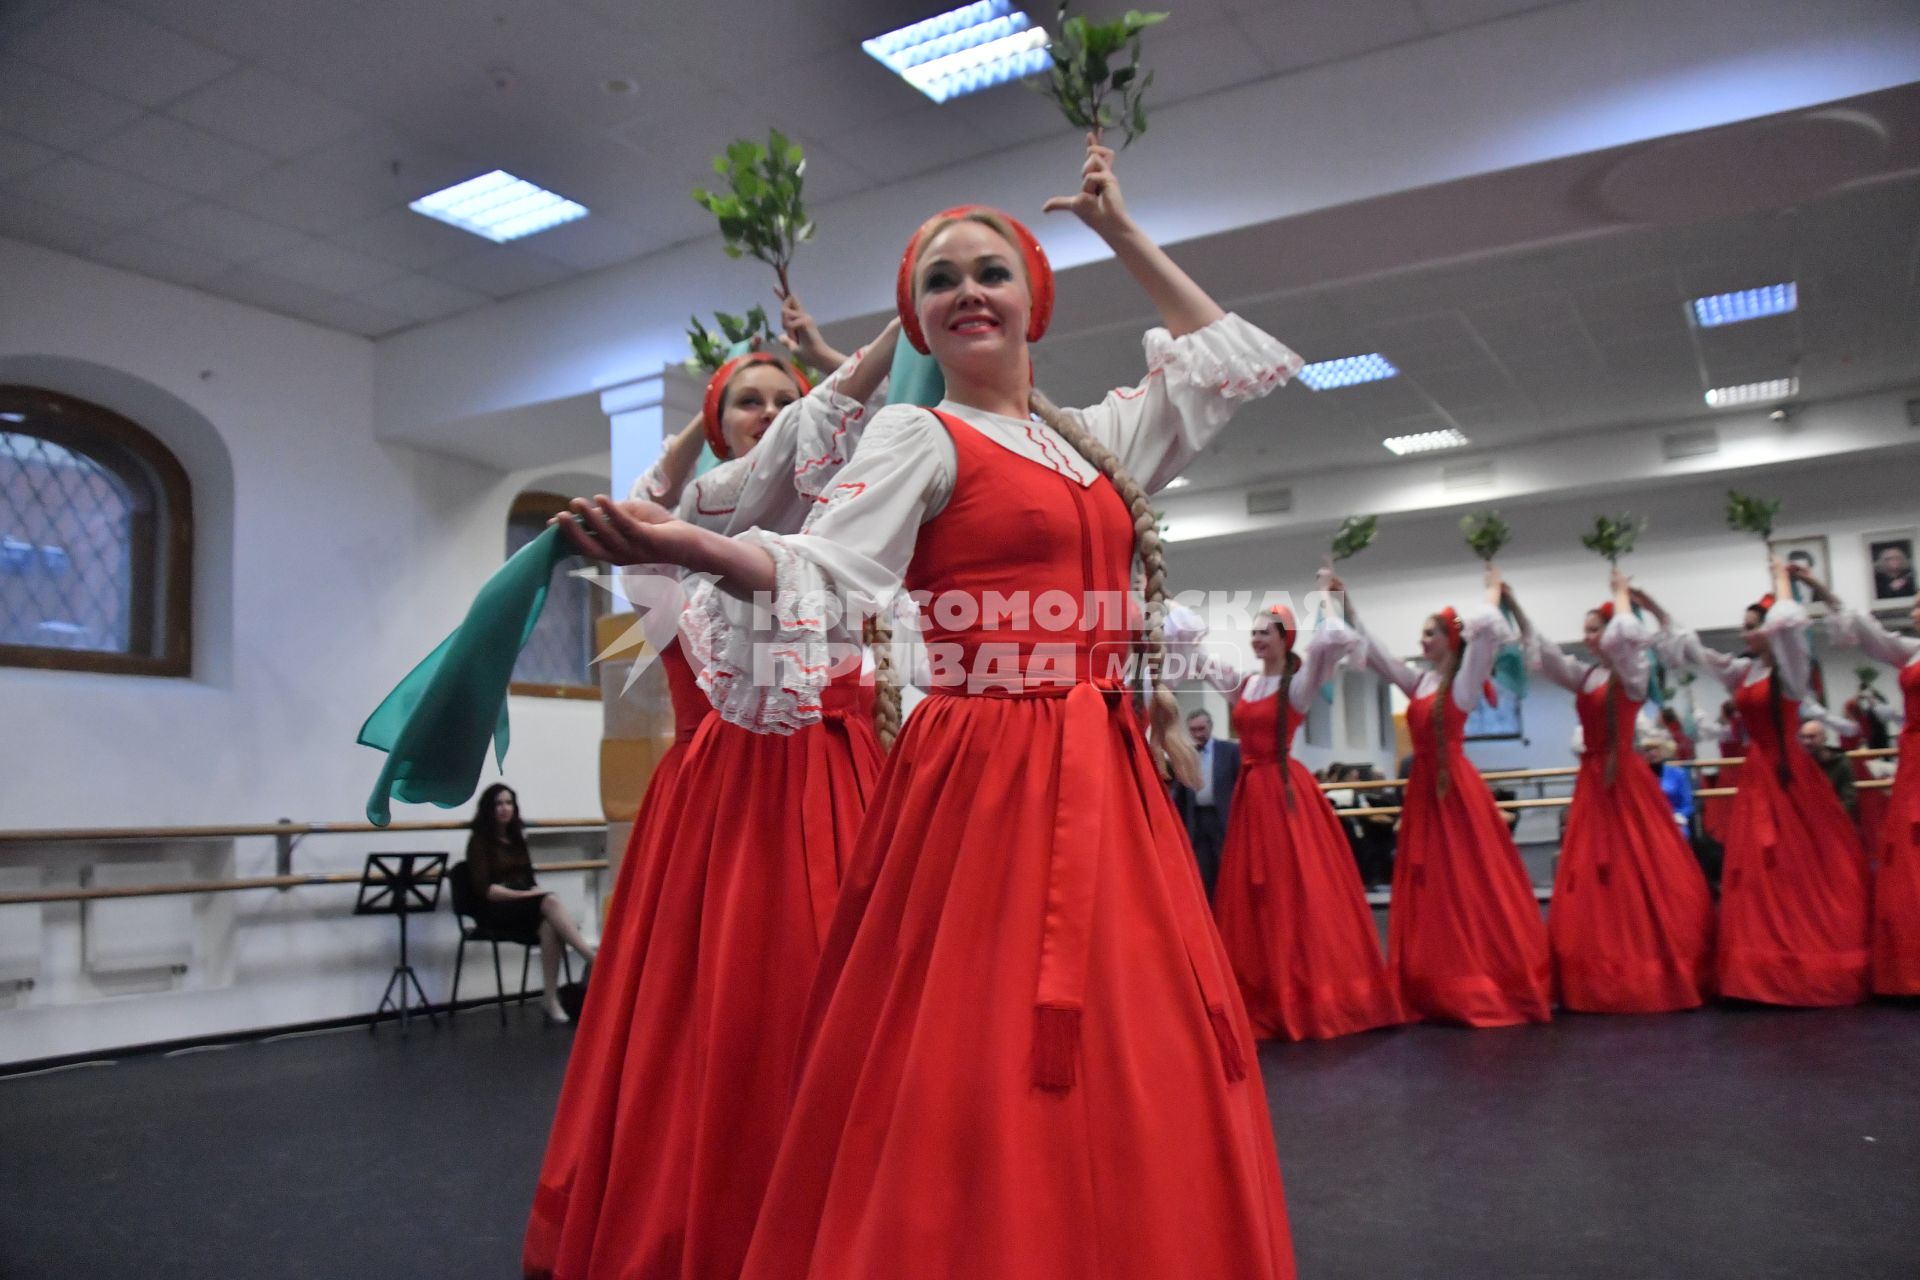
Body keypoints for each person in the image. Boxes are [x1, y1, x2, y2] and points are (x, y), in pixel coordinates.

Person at [564, 137, 1305, 1278]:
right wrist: (690, 545)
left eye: (990, 270)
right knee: (981, 1031)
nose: (967, 290)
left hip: (1103, 771)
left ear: (1032, 301)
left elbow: (1219, 362)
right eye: (939, 279)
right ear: (916, 321)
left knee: (1132, 1022)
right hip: (986, 770)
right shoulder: (919, 433)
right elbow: (822, 569)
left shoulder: (1091, 441)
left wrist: (1119, 230)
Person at [522, 303, 898, 1280]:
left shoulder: (846, 531)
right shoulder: (676, 536)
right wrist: (700, 412)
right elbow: (629, 507)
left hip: (846, 788)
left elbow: (885, 414)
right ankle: (708, 1207)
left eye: (783, 401)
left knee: (847, 1001)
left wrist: (835, 357)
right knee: (717, 1008)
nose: (767, 414)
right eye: (747, 404)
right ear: (722, 422)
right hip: (722, 807)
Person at [1659, 559, 1870, 1006]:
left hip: (1787, 772)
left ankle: (1801, 961)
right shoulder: (1745, 671)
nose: (1745, 634)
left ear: (1770, 629)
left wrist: (1787, 580)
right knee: (1755, 867)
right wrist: (1654, 609)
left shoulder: (1791, 671)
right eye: (1745, 626)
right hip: (1758, 772)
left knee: (1794, 863)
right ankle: (1756, 966)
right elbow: (1699, 652)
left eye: (1752, 626)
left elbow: (1791, 628)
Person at [1349, 566, 1552, 1027]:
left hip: (1453, 793)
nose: (1422, 641)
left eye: (1429, 634)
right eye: (1421, 634)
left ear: (1448, 640)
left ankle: (1479, 979)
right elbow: (1379, 656)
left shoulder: (1460, 684)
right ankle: (1432, 980)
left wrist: (1492, 593)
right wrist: (1347, 608)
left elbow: (1483, 641)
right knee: (1429, 885)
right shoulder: (1418, 683)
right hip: (1425, 793)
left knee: (1467, 881)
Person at [1203, 590, 1402, 1041]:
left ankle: (1308, 991)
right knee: (1258, 894)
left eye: (1264, 633)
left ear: (1284, 639)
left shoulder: (1297, 685)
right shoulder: (1248, 685)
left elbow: (1329, 642)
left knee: (1295, 887)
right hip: (1253, 794)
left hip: (1282, 791)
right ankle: (1263, 989)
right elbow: (1203, 663)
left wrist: (1330, 597)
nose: (1256, 639)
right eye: (1252, 632)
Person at [1521, 570, 1714, 1014]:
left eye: (1596, 628)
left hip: (1624, 778)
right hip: (1593, 780)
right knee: (1593, 866)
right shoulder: (1584, 676)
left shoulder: (1631, 674)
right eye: (1586, 631)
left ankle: (1652, 962)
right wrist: (1515, 607)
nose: (1588, 638)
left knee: (1639, 860)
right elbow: (1547, 654)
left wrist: (1624, 597)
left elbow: (1631, 644)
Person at [1792, 564, 1920, 995]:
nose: (1915, 611)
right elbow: (1866, 629)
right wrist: (1817, 588)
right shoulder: (1911, 651)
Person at [464, 784, 598, 1023]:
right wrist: (528, 896)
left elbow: (529, 880)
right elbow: (487, 890)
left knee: (548, 924)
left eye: (508, 803)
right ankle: (593, 959)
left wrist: (534, 892)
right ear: (488, 808)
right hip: (494, 910)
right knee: (550, 902)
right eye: (498, 804)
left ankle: (549, 997)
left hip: (522, 906)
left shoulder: (516, 840)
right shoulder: (479, 842)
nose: (504, 808)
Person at [1172, 707, 1239, 898]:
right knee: (1203, 868)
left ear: (1210, 726)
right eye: (1193, 730)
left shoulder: (1229, 750)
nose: (1197, 734)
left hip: (1223, 817)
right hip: (1197, 818)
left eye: (1201, 729)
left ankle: (1229, 906)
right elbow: (1181, 792)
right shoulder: (1187, 754)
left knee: (1225, 863)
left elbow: (1238, 782)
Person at [1799, 718, 1859, 818]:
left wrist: (1832, 817)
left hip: (1834, 818)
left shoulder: (1841, 763)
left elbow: (1848, 797)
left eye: (1812, 737)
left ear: (1824, 738)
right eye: (1803, 737)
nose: (1807, 742)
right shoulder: (1799, 764)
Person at [1639, 729, 1695, 831]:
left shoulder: (1678, 773)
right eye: (1648, 750)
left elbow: (1688, 805)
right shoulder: (1639, 777)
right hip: (1650, 823)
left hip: (1675, 822)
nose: (1652, 753)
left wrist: (1678, 816)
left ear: (1662, 751)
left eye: (1655, 749)